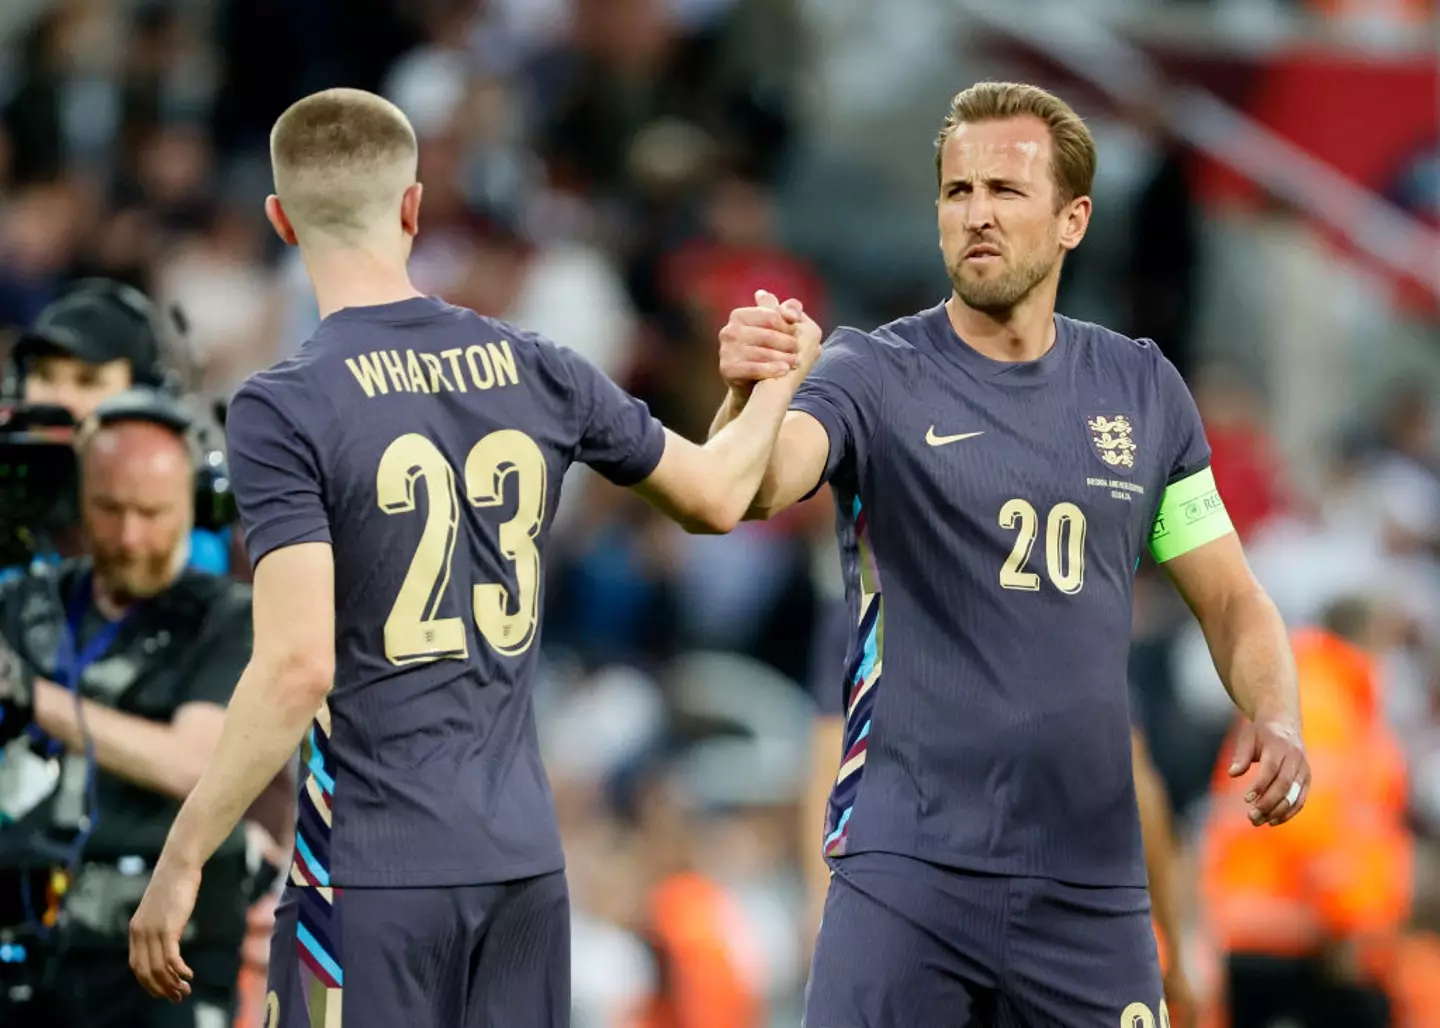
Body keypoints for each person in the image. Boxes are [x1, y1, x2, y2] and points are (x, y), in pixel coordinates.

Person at [126, 87, 821, 1027]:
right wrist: (772, 384)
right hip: (525, 871)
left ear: (281, 222)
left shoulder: (281, 405)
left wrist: (181, 858)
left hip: (372, 874)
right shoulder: (539, 365)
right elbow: (718, 496)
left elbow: (296, 667)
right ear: (413, 209)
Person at [711, 81, 1309, 1026]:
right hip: (907, 870)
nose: (977, 213)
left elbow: (1231, 597)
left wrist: (1276, 716)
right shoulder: (874, 373)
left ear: (1073, 221)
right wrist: (757, 394)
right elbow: (757, 483)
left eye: (1006, 190)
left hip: (1089, 884)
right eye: (957, 192)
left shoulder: (1143, 390)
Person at [0, 388, 256, 1028]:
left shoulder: (228, 617)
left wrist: (35, 698)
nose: (129, 535)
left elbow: (195, 765)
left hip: (169, 956)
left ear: (193, 506)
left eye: (152, 512)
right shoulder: (26, 603)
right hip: (37, 945)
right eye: (109, 509)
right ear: (79, 501)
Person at [5, 279, 232, 575]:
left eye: (87, 381)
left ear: (145, 401)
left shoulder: (194, 537)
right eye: (45, 377)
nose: (59, 399)